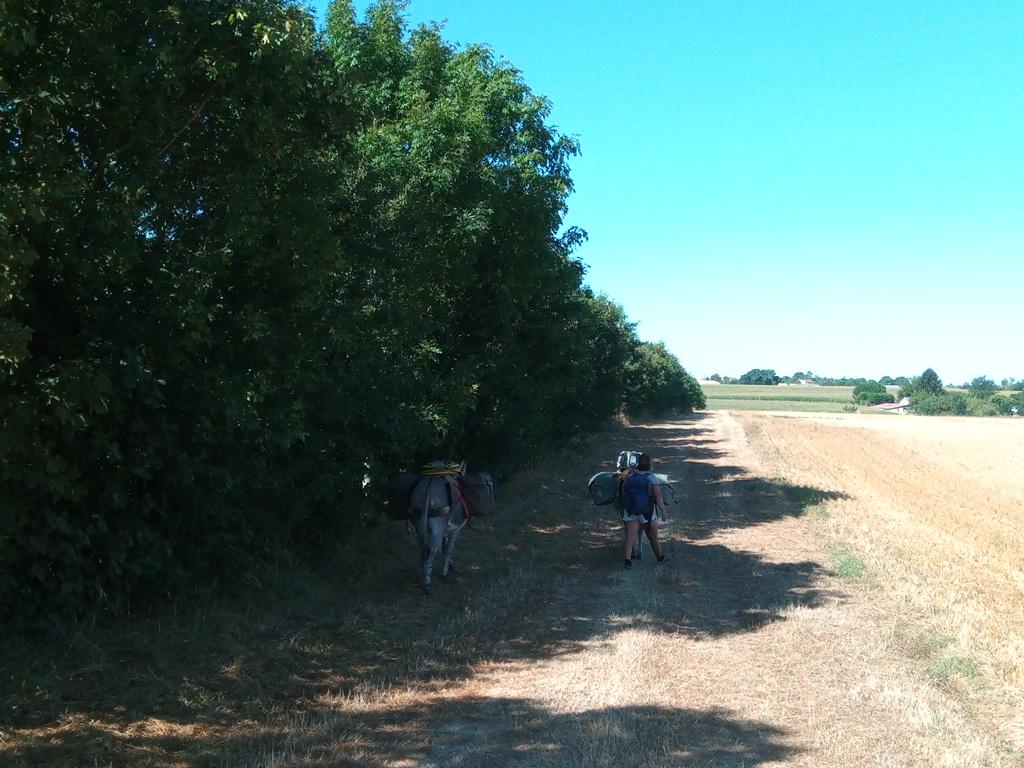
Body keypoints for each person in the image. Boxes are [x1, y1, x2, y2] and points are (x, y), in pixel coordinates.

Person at [620, 453, 668, 568]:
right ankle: (660, 558)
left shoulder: (630, 476)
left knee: (630, 538)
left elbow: (622, 487)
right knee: (653, 537)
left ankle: (627, 561)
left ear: (637, 463)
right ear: (650, 464)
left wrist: (629, 470)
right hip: (646, 512)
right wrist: (663, 511)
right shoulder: (651, 478)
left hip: (631, 511)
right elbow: (658, 497)